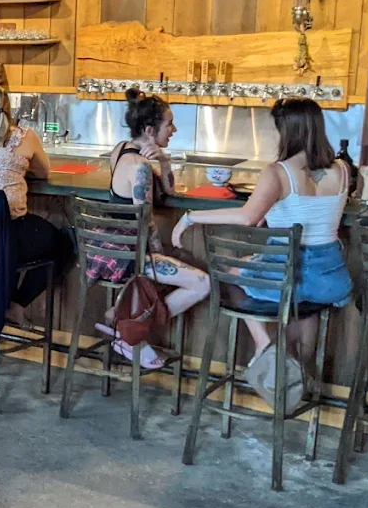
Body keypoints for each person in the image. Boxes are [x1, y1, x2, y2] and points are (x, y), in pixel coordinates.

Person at [171, 97, 352, 413]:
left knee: (225, 273)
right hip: (330, 280)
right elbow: (313, 213)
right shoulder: (342, 170)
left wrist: (190, 217)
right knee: (299, 303)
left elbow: (247, 217)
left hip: (288, 274)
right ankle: (297, 374)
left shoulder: (279, 172)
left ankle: (265, 346)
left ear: (286, 130)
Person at [86, 88, 209, 368]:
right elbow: (146, 222)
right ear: (151, 130)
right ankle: (128, 333)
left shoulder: (121, 150)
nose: (174, 129)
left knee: (178, 267)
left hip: (111, 248)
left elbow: (168, 189)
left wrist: (164, 159)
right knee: (203, 283)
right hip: (130, 256)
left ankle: (120, 319)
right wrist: (158, 253)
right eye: (169, 123)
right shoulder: (139, 166)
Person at [0, 85, 72, 327]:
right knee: (65, 242)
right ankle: (15, 305)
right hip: (3, 237)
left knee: (13, 237)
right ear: (7, 108)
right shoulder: (24, 136)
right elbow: (43, 171)